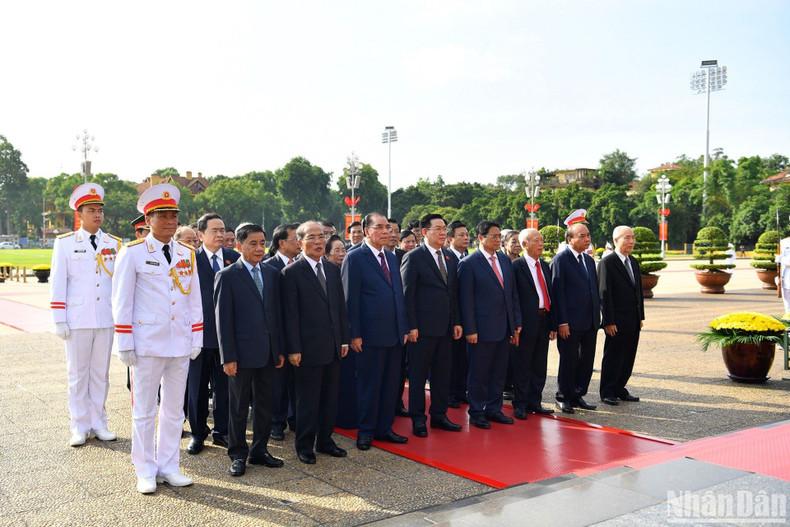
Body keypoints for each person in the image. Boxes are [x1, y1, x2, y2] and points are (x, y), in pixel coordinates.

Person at [112, 184, 203, 494]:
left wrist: (196, 336)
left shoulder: (186, 252)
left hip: (179, 342)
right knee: (144, 410)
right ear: (148, 219)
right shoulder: (133, 252)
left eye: (173, 216)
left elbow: (194, 300)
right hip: (147, 343)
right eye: (162, 216)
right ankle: (145, 468)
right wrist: (124, 341)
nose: (169, 222)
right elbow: (121, 300)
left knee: (174, 410)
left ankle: (169, 466)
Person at [50, 182, 121, 447]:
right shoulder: (66, 243)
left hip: (105, 318)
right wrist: (59, 318)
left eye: (100, 210)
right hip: (78, 319)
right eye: (92, 210)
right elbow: (58, 281)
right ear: (79, 214)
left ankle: (99, 422)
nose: (98, 215)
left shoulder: (113, 243)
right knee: (77, 374)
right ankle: (79, 425)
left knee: (100, 374)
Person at [215, 223, 286, 477]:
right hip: (241, 355)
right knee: (238, 406)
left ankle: (260, 449)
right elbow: (223, 321)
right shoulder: (227, 275)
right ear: (239, 245)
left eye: (262, 243)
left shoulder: (272, 273)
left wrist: (278, 349)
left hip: (268, 352)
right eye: (252, 243)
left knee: (265, 404)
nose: (259, 248)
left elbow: (276, 315)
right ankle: (237, 454)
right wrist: (228, 357)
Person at [282, 221, 350, 464]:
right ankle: (304, 445)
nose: (319, 241)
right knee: (307, 400)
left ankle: (325, 440)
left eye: (321, 236)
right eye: (312, 237)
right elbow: (290, 315)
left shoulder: (332, 269)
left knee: (330, 398)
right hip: (307, 349)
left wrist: (343, 339)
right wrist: (294, 349)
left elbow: (339, 308)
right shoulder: (291, 272)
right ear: (300, 243)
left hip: (333, 346)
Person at [341, 212, 409, 450]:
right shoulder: (355, 258)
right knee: (370, 385)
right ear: (367, 230)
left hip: (394, 334)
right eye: (380, 227)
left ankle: (384, 428)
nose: (386, 232)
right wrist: (354, 333)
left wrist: (404, 327)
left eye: (388, 228)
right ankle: (366, 431)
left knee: (390, 386)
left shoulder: (391, 257)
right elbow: (350, 300)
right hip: (369, 335)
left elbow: (397, 296)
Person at [400, 214, 463, 437]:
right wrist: (411, 326)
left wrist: (456, 321)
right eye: (438, 229)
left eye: (444, 228)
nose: (443, 232)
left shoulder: (448, 256)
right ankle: (418, 419)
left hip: (446, 327)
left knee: (442, 374)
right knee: (418, 375)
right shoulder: (414, 257)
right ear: (424, 232)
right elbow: (408, 295)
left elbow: (453, 294)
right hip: (422, 329)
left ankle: (439, 415)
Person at [458, 220, 522, 429]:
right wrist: (471, 329)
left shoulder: (504, 260)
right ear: (480, 238)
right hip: (481, 329)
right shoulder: (469, 263)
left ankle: (494, 409)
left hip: (504, 327)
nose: (498, 240)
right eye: (493, 236)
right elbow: (465, 300)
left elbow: (511, 294)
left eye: (499, 237)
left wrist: (515, 323)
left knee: (498, 372)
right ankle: (477, 412)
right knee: (479, 373)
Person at [186, 213, 239, 455]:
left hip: (227, 338)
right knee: (196, 388)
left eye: (222, 230)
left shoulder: (234, 258)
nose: (220, 234)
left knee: (225, 388)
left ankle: (222, 431)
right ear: (200, 235)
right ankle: (198, 433)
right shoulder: (188, 261)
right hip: (197, 337)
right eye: (214, 230)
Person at [550, 210, 600, 414]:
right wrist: (562, 322)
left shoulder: (588, 260)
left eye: (588, 235)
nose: (587, 239)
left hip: (590, 321)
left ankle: (578, 393)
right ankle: (563, 396)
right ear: (569, 239)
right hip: (570, 322)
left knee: (586, 360)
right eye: (582, 236)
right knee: (569, 360)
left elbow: (593, 289)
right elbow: (557, 293)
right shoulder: (561, 260)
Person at [511, 229, 556, 418]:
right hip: (525, 323)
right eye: (536, 240)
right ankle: (520, 404)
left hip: (543, 320)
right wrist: (516, 325)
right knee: (523, 364)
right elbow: (512, 299)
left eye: (542, 240)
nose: (541, 244)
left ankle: (535, 401)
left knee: (539, 363)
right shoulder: (516, 266)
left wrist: (553, 324)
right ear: (524, 245)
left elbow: (551, 296)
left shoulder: (544, 266)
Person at [598, 226, 644, 406]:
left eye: (633, 238)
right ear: (616, 240)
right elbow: (604, 293)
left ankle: (620, 387)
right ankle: (607, 391)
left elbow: (637, 291)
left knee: (628, 356)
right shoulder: (607, 263)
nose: (632, 241)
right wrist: (608, 321)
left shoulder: (632, 261)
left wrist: (640, 316)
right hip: (615, 321)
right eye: (627, 238)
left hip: (632, 319)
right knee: (614, 356)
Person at [264, 222, 300, 440]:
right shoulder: (269, 267)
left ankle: (295, 418)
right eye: (296, 238)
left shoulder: (303, 264)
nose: (299, 243)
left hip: (298, 333)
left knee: (297, 381)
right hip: (277, 334)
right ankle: (277, 423)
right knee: (277, 382)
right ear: (281, 242)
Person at [446, 220, 470, 408]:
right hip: (452, 318)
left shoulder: (468, 258)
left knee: (464, 357)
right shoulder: (446, 258)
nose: (466, 238)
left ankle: (461, 391)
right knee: (450, 358)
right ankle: (450, 393)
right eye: (461, 235)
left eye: (467, 234)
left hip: (467, 316)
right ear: (450, 238)